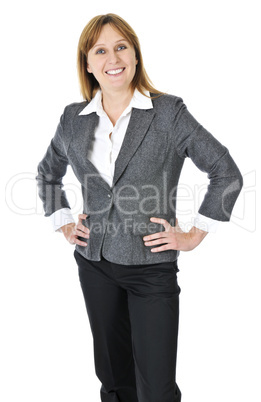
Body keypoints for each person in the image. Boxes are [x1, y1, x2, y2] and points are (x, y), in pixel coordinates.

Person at [36, 13, 243, 402]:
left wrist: (195, 234)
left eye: (120, 47)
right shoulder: (73, 119)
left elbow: (226, 171)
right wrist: (63, 220)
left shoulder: (168, 113)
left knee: (157, 388)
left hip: (151, 268)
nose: (112, 58)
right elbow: (47, 173)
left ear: (134, 55)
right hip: (94, 263)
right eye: (100, 50)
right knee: (114, 381)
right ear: (88, 63)